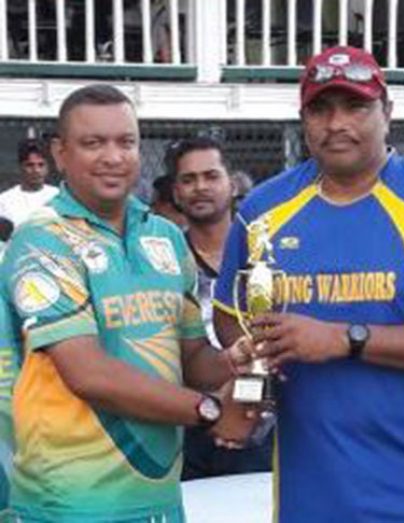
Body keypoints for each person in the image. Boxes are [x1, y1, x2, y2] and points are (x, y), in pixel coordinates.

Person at [213, 46, 404, 522]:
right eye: (320, 109)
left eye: (355, 107)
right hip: (311, 499)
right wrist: (252, 370)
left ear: (387, 113)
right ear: (303, 118)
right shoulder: (263, 210)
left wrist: (343, 339)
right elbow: (232, 319)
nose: (336, 123)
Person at [0, 84, 263, 522]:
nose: (113, 157)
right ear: (60, 153)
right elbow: (88, 373)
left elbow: (190, 355)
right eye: (93, 143)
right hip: (70, 503)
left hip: (159, 499)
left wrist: (238, 363)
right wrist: (211, 410)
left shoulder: (162, 237)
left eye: (126, 142)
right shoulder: (42, 241)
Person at [171, 136, 273, 480]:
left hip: (261, 425)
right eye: (188, 179)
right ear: (175, 192)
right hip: (188, 423)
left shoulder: (266, 254)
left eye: (211, 176)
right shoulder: (165, 259)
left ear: (232, 184)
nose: (200, 187)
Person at [0, 139, 58, 228]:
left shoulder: (59, 196)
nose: (36, 170)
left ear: (47, 167)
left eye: (41, 165)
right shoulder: (4, 201)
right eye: (30, 165)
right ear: (20, 167)